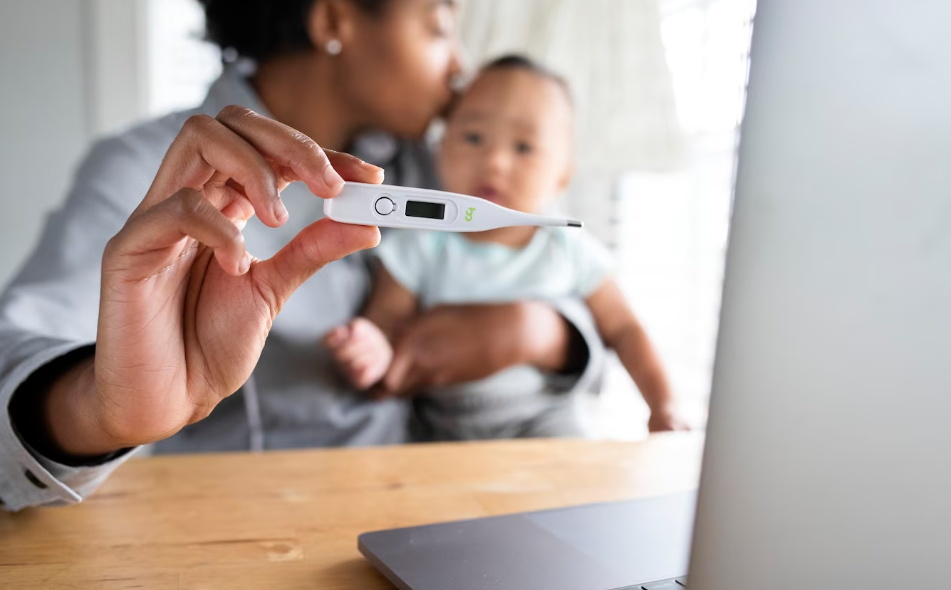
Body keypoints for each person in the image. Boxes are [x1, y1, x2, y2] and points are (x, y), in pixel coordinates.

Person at [0, 0, 604, 512]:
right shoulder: (147, 174)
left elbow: (555, 273)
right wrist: (103, 410)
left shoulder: (428, 166)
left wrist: (544, 332)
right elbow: (15, 356)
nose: (459, 69)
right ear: (335, 20)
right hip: (246, 522)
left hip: (422, 502)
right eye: (438, 25)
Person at [325, 56, 691, 440]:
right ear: (440, 148)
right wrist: (371, 349)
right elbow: (385, 322)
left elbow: (625, 328)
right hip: (441, 429)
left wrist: (663, 406)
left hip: (547, 419)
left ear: (563, 173)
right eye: (473, 137)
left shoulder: (567, 248)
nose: (495, 161)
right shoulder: (419, 244)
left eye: (523, 147)